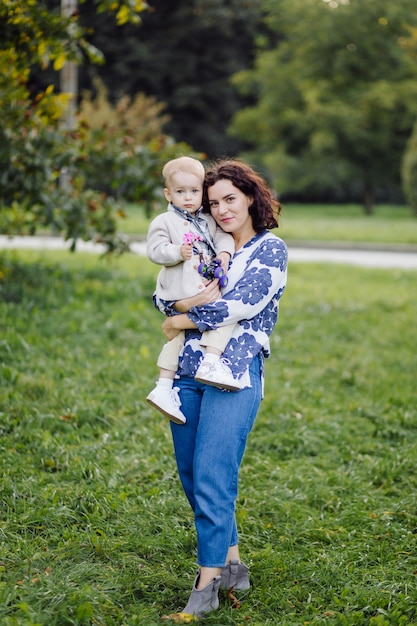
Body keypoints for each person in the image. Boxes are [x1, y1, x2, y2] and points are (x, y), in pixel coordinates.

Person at [156, 158, 288, 621]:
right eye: (213, 202)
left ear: (251, 196)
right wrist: (178, 305)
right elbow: (162, 292)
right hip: (188, 372)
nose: (222, 209)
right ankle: (233, 564)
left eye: (230, 198)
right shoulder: (203, 243)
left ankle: (206, 583)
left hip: (234, 373)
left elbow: (241, 303)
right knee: (193, 475)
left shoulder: (270, 250)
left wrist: (181, 317)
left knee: (213, 473)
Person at [146, 156, 241, 426]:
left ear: (202, 190)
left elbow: (223, 235)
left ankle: (165, 386)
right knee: (217, 318)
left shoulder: (207, 219)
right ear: (168, 193)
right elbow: (154, 250)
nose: (188, 198)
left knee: (178, 337)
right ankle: (209, 362)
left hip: (202, 285)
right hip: (180, 289)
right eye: (180, 192)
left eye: (194, 191)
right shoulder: (165, 221)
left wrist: (224, 253)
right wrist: (176, 251)